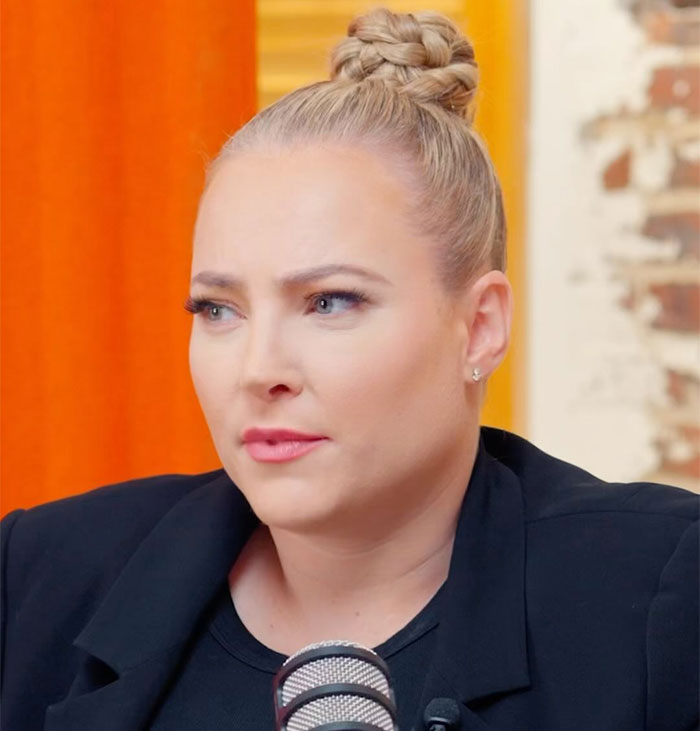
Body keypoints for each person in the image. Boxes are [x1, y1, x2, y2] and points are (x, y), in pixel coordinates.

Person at [1, 7, 698, 731]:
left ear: (480, 327)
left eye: (329, 301)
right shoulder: (39, 582)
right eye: (217, 309)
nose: (258, 368)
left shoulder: (658, 602)